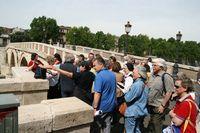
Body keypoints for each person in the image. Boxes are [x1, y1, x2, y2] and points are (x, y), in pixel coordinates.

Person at [147, 58, 174, 133]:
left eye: (155, 65)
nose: (153, 67)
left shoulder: (166, 76)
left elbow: (169, 92)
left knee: (156, 125)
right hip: (151, 104)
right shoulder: (153, 75)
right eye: (152, 65)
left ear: (161, 67)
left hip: (159, 105)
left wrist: (162, 105)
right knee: (151, 124)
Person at [91, 56, 116, 133]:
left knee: (97, 126)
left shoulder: (99, 76)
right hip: (111, 105)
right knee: (107, 125)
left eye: (95, 65)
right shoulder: (112, 74)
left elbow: (97, 93)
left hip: (101, 107)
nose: (93, 67)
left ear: (101, 64)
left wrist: (95, 107)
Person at [124, 65, 148, 133]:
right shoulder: (144, 84)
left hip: (132, 112)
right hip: (140, 111)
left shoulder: (137, 84)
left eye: (134, 73)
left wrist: (126, 92)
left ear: (140, 75)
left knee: (130, 131)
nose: (132, 74)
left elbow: (128, 98)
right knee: (137, 130)